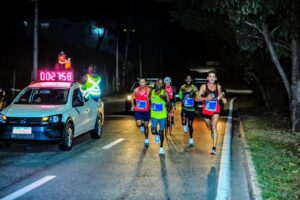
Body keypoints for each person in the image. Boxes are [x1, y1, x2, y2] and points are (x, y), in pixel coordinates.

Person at [195, 71, 227, 155]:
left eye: (213, 76)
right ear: (207, 78)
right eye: (210, 76)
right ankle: (210, 127)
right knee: (209, 127)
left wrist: (222, 98)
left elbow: (220, 95)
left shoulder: (218, 86)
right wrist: (206, 98)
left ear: (215, 78)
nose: (212, 78)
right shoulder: (203, 87)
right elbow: (196, 98)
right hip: (206, 110)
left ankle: (214, 148)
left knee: (214, 126)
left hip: (216, 108)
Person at [150, 79, 169, 154]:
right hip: (154, 115)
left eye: (160, 83)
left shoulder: (165, 92)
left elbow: (169, 104)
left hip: (162, 116)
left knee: (162, 132)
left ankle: (161, 147)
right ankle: (156, 134)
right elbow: (149, 100)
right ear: (156, 84)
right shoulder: (152, 92)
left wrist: (164, 99)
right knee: (153, 131)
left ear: (163, 85)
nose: (159, 84)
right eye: (158, 83)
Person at [131, 78, 151, 148]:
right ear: (139, 83)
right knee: (138, 124)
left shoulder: (148, 90)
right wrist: (133, 105)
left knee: (146, 126)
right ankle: (141, 125)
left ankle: (146, 139)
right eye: (140, 82)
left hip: (146, 111)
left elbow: (152, 98)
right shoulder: (136, 90)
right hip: (138, 110)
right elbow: (131, 96)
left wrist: (150, 102)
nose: (142, 83)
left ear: (145, 83)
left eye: (143, 82)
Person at [179, 75, 198, 145]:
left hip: (191, 109)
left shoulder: (194, 87)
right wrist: (181, 100)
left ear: (192, 80)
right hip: (184, 107)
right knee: (184, 122)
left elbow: (197, 95)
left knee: (190, 125)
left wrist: (193, 95)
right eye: (187, 79)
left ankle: (191, 138)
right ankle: (185, 124)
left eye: (190, 79)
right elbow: (180, 95)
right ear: (185, 80)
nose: (188, 80)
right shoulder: (182, 87)